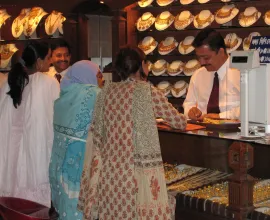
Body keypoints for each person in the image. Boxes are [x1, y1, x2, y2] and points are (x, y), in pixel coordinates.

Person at [77, 46, 187, 220]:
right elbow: (179, 122)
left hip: (108, 176)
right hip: (135, 177)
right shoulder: (146, 91)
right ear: (142, 65)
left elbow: (97, 136)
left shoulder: (105, 92)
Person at [0, 42, 59, 207]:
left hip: (11, 155)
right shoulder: (49, 83)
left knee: (14, 207)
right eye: (49, 58)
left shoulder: (10, 81)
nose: (51, 62)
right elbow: (55, 119)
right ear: (39, 61)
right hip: (36, 154)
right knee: (35, 207)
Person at [49, 60, 103, 220]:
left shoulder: (64, 95)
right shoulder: (94, 93)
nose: (102, 80)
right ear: (88, 76)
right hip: (81, 160)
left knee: (66, 205)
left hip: (60, 161)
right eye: (99, 75)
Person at [183, 28, 240, 121]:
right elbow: (189, 103)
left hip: (235, 133)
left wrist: (221, 116)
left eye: (206, 57)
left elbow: (253, 107)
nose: (201, 62)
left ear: (221, 52)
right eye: (199, 58)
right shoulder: (198, 75)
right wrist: (190, 111)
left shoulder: (241, 72)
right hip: (202, 132)